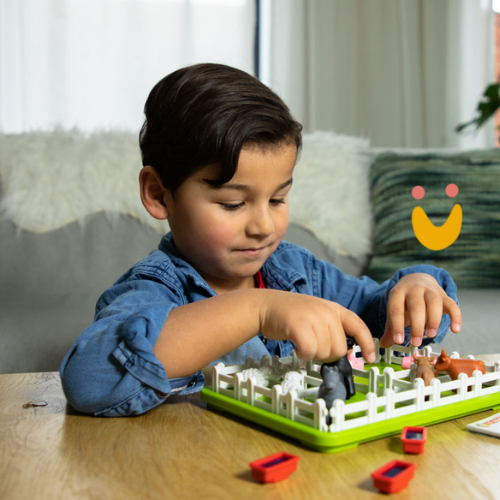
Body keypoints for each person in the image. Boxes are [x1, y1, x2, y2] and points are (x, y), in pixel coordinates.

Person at [60, 63, 461, 416]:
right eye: (233, 203)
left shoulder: (297, 272)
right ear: (158, 194)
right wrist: (258, 310)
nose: (264, 226)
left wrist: (416, 289)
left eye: (277, 199)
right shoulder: (155, 289)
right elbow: (88, 379)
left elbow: (376, 312)